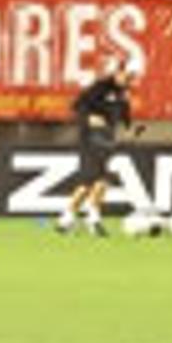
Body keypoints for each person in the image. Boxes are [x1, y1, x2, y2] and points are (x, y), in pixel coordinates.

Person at [56, 58, 137, 237]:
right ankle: (79, 217)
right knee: (92, 180)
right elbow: (77, 106)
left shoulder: (124, 93)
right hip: (91, 138)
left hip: (107, 138)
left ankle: (75, 218)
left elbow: (125, 114)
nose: (130, 80)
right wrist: (88, 118)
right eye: (128, 76)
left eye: (132, 77)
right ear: (118, 72)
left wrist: (131, 129)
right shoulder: (100, 87)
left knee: (100, 180)